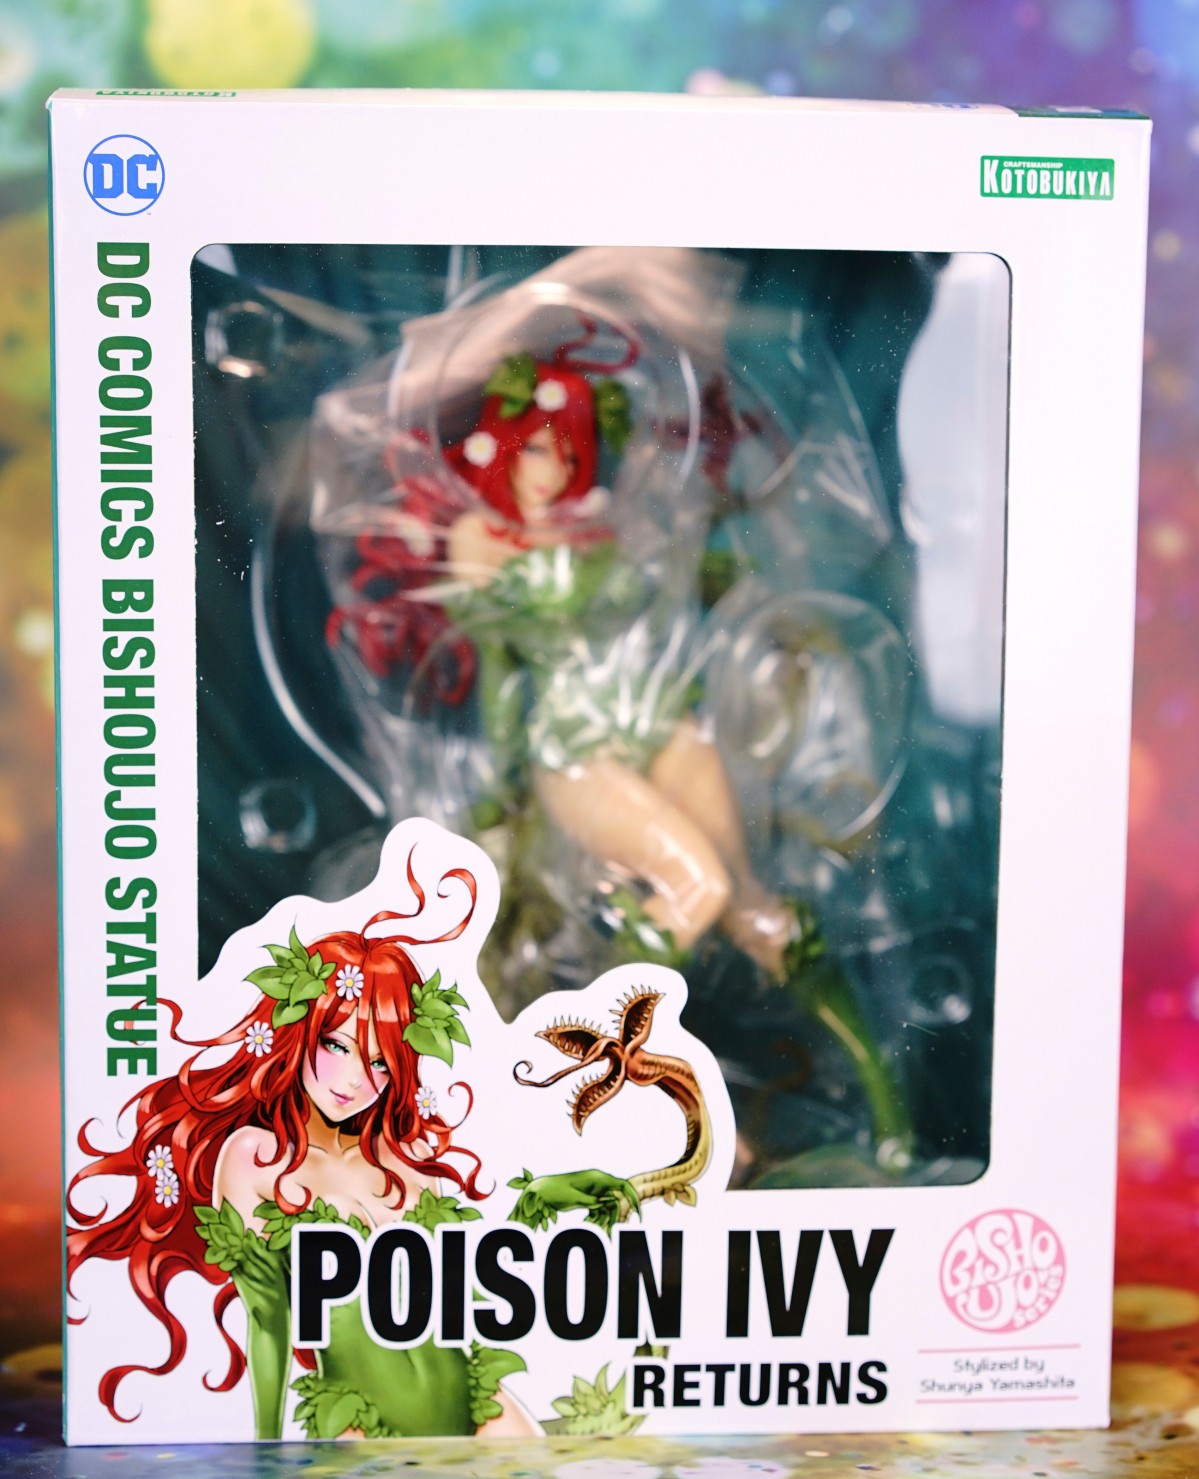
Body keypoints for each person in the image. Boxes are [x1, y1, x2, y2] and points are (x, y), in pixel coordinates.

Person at [67, 863, 536, 1440]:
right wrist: (267, 1445)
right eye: (336, 1045)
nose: (354, 1079)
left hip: (474, 1395)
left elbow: (444, 1305)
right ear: (298, 1033)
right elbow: (267, 1320)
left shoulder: (406, 1154)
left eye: (381, 1061)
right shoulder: (252, 1158)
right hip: (355, 1415)